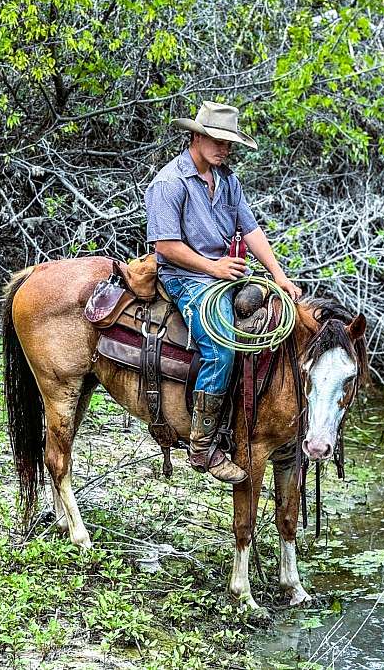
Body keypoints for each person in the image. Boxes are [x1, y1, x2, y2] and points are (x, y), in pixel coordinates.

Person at [145, 100, 301, 484]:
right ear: (196, 137)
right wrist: (214, 267)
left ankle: (252, 420)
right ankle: (202, 445)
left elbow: (250, 230)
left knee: (274, 319)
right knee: (221, 348)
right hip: (184, 276)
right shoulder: (170, 183)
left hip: (221, 275)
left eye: (229, 143)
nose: (225, 149)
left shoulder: (228, 180)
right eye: (218, 141)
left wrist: (278, 276)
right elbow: (165, 245)